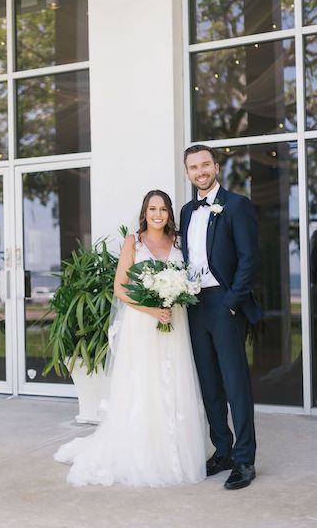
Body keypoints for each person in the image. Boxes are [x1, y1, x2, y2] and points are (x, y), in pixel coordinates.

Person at [54, 190, 206, 486]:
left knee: (175, 383)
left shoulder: (177, 242)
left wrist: (174, 297)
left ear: (169, 213)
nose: (158, 214)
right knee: (145, 385)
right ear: (144, 212)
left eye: (163, 209)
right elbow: (120, 289)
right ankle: (145, 452)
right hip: (143, 323)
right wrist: (152, 309)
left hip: (174, 322)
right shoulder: (133, 242)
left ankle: (174, 449)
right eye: (152, 208)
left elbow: (186, 278)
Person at [180, 144, 262, 490]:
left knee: (235, 384)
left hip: (224, 304)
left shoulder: (237, 205)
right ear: (188, 173)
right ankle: (223, 450)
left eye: (204, 165)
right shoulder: (185, 211)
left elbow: (249, 260)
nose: (199, 172)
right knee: (209, 384)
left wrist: (231, 302)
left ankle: (244, 460)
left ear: (215, 166)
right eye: (192, 167)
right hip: (194, 305)